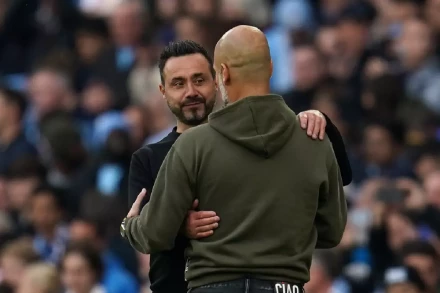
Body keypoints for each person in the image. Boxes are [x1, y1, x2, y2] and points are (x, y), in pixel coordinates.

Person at [123, 25, 347, 293]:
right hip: (284, 285)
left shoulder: (192, 145)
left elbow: (153, 233)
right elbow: (332, 230)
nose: (191, 91)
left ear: (222, 75)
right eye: (179, 83)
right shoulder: (313, 139)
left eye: (200, 79)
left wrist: (131, 225)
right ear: (271, 67)